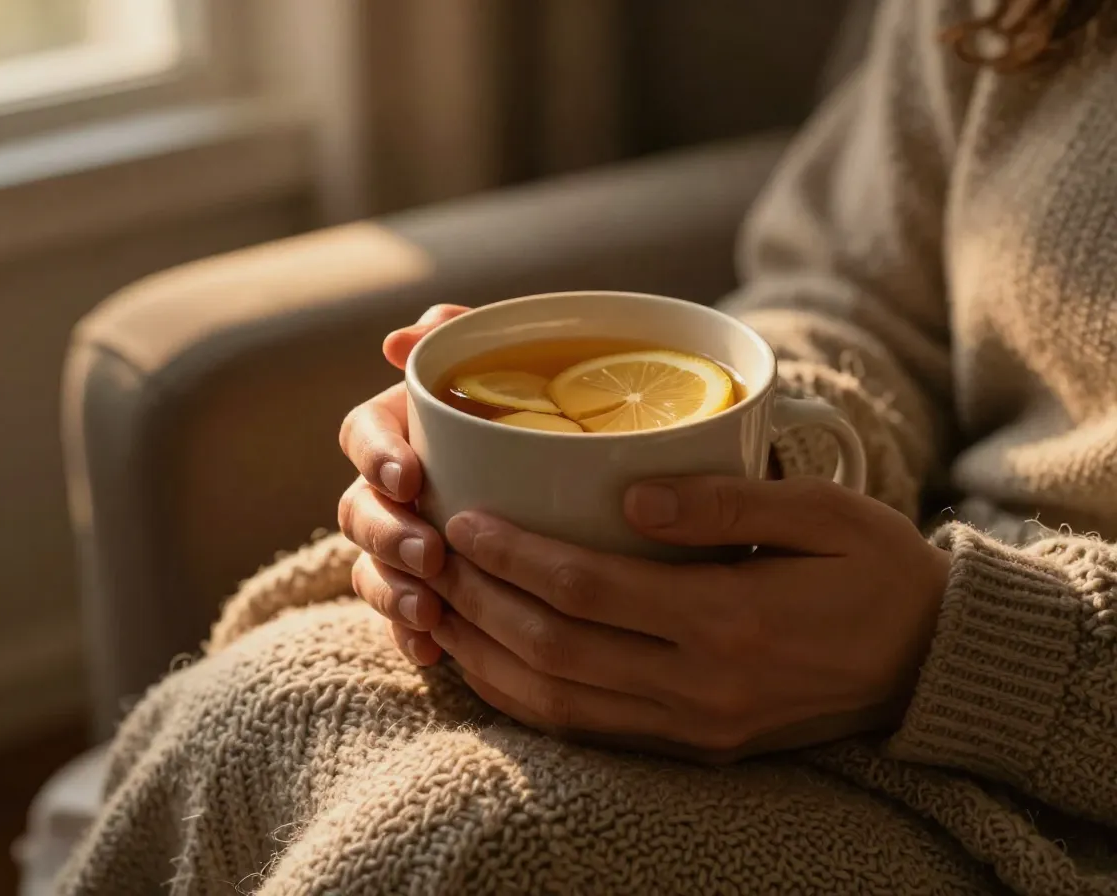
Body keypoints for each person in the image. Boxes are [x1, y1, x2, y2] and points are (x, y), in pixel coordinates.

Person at [60, 1, 1117, 894]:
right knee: (253, 713)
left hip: (1060, 786)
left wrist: (965, 650)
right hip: (882, 642)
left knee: (477, 843)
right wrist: (744, 455)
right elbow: (864, 301)